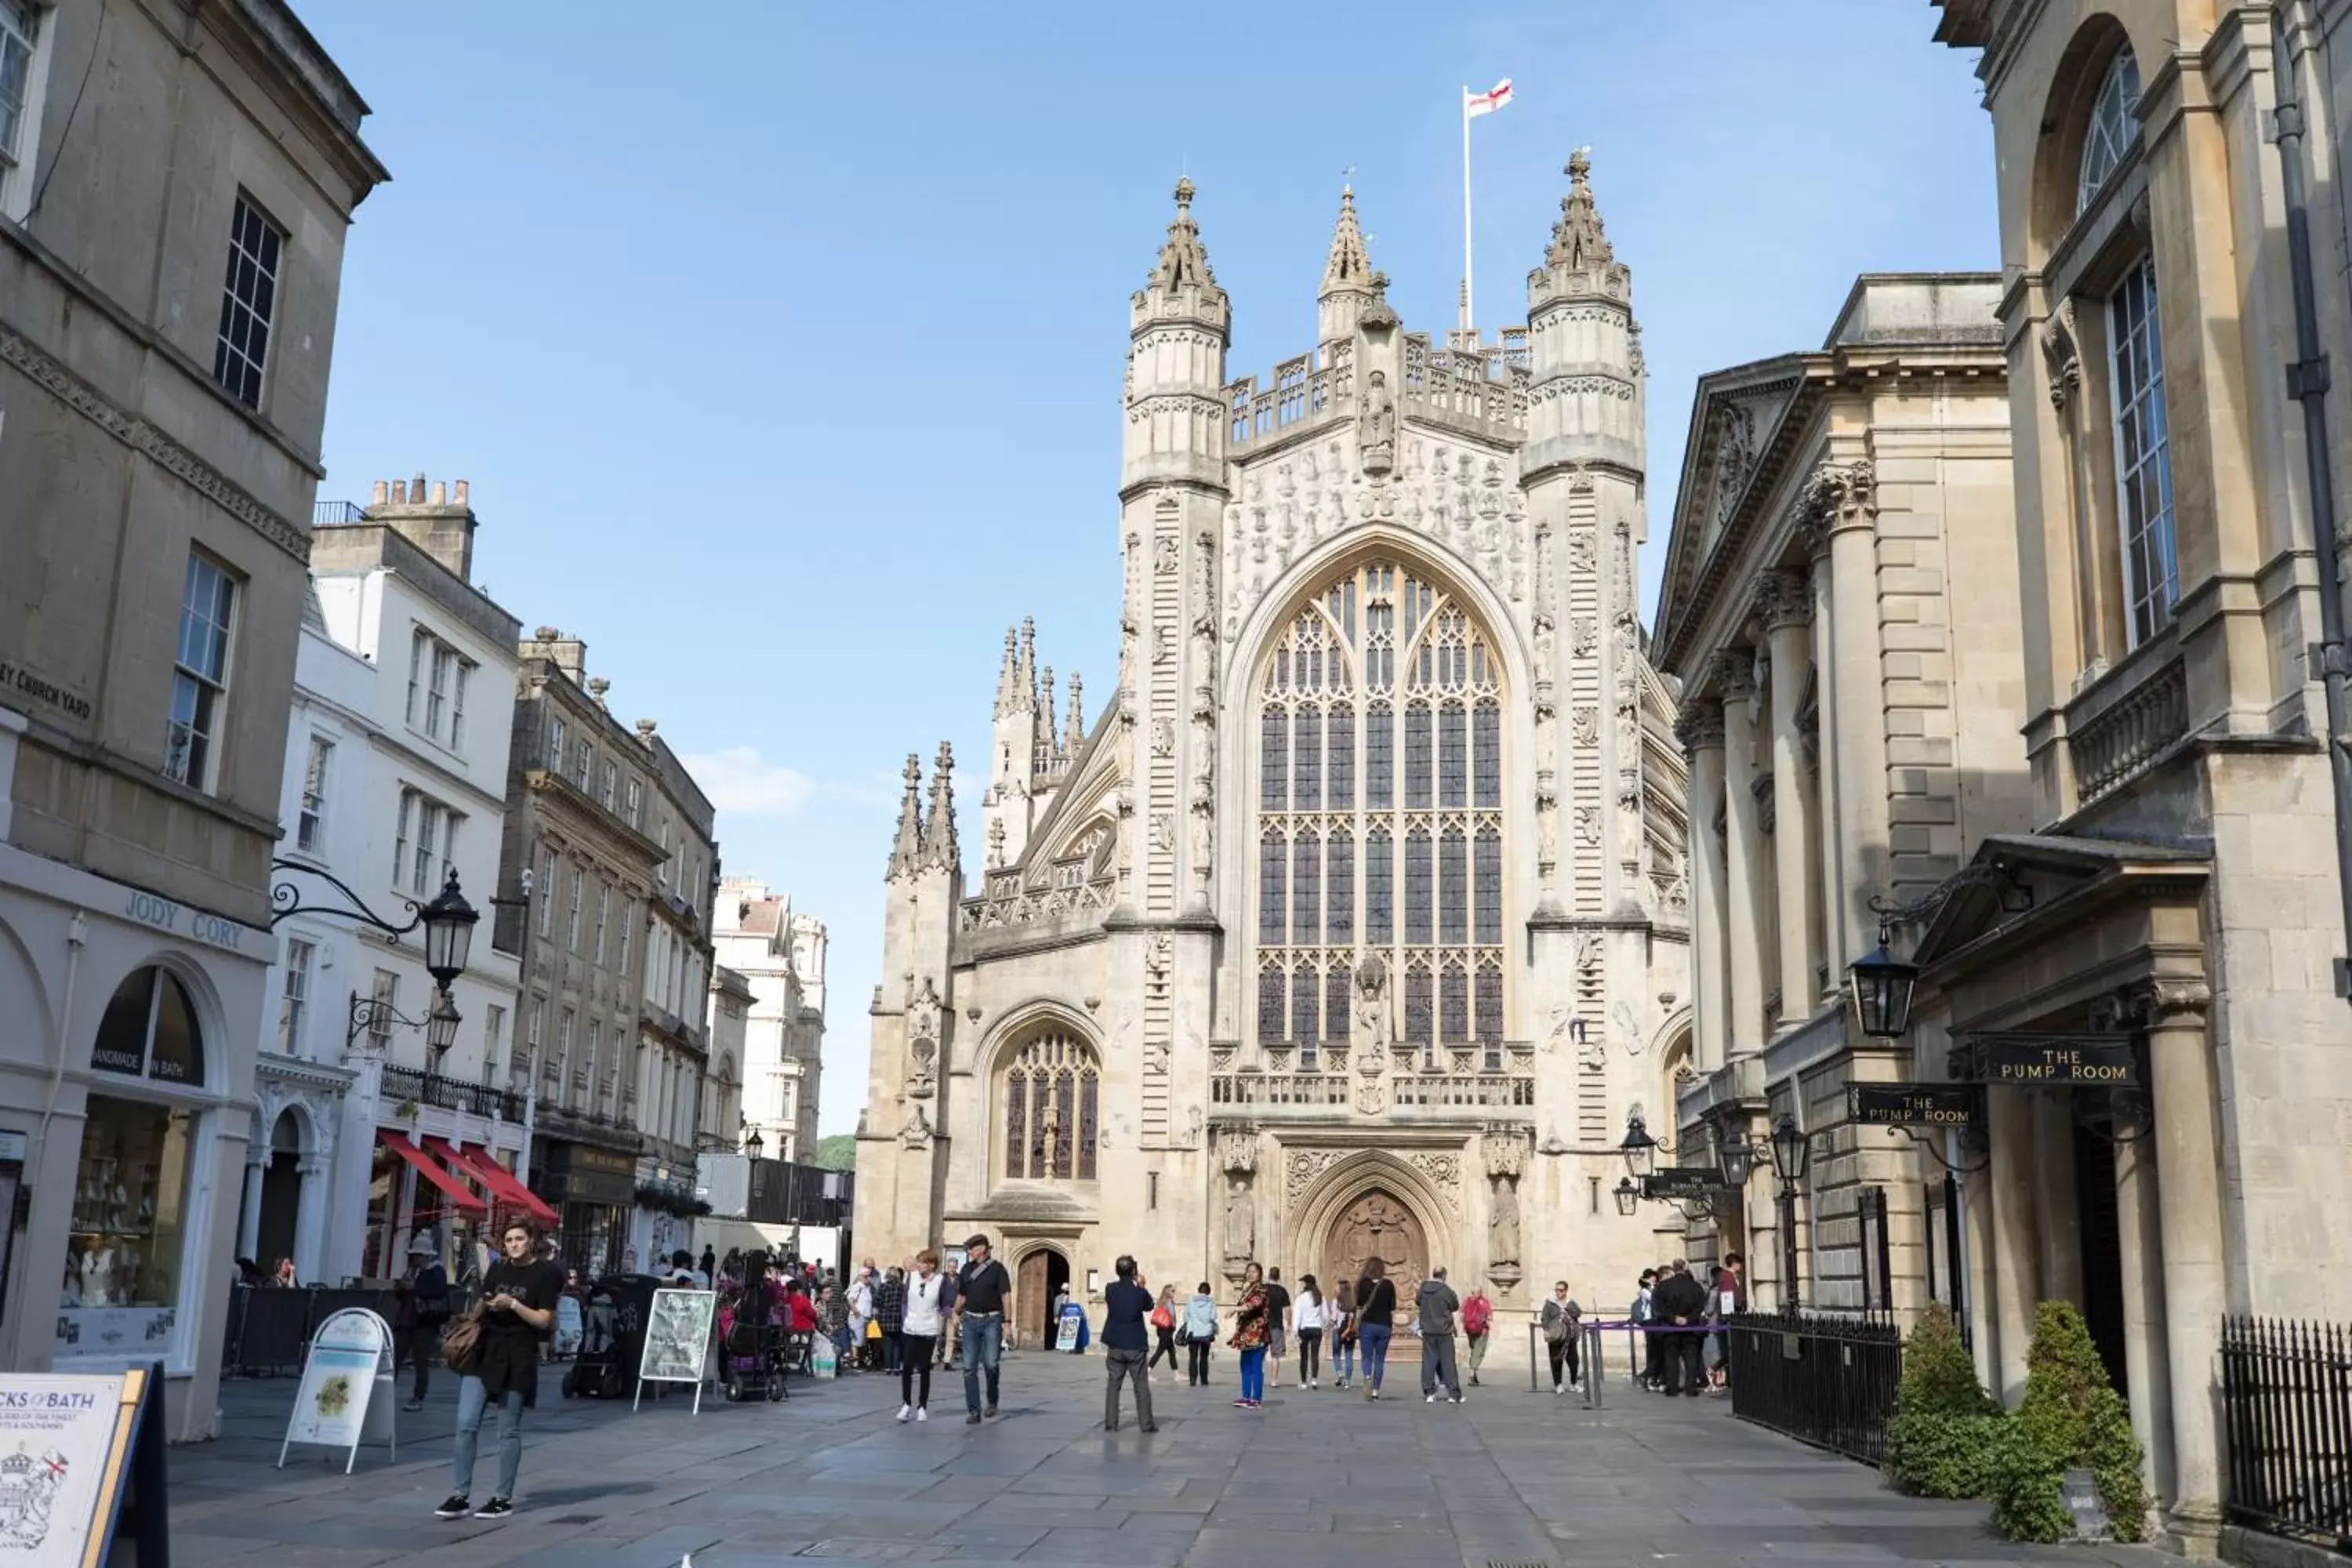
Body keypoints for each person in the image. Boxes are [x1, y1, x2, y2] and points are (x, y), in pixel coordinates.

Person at [435, 1220, 563, 1521]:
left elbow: (545, 1320)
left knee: (508, 1428)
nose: (514, 1244)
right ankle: (459, 1494)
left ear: (531, 1241)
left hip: (518, 1353)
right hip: (485, 1348)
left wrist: (515, 1305)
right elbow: (483, 1301)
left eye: (519, 1239)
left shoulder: (546, 1274)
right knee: (466, 1422)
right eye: (508, 1240)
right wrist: (470, 1317)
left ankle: (502, 1497)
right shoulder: (497, 1269)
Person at [954, 1233, 1012, 1423]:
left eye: (971, 1248)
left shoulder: (998, 1269)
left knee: (991, 1364)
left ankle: (992, 1400)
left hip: (992, 1320)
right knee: (969, 1368)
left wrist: (1008, 1324)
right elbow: (962, 1295)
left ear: (981, 1249)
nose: (969, 1252)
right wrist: (955, 1313)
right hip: (970, 1320)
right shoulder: (966, 1269)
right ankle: (974, 1410)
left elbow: (1006, 1296)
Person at [392, 1236, 452, 1412]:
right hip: (406, 1320)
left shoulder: (436, 1271)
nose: (414, 1259)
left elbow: (438, 1291)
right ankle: (385, 1392)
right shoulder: (412, 1271)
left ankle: (418, 1396)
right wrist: (401, 1288)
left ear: (426, 1256)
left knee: (420, 1360)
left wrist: (415, 1289)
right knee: (395, 1357)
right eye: (413, 1255)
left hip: (425, 1322)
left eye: (418, 1255)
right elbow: (401, 1296)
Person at [1099, 1255, 1158, 1432]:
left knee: (1113, 1385)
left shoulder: (1110, 1290)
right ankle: (1146, 1424)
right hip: (1135, 1344)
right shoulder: (1139, 1293)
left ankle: (1111, 1422)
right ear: (1133, 1271)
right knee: (1140, 1385)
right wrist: (1141, 1285)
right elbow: (1149, 1306)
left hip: (1115, 1343)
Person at [896, 1249, 953, 1421]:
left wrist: (951, 1314)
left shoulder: (940, 1280)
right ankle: (906, 1404)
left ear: (931, 1265)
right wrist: (904, 1318)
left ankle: (922, 1406)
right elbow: (905, 1301)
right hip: (910, 1328)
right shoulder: (911, 1277)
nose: (919, 1265)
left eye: (922, 1262)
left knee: (924, 1368)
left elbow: (945, 1303)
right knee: (906, 1366)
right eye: (918, 1262)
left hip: (928, 1329)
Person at [1653, 1260, 1708, 1396]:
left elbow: (1659, 1308)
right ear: (1685, 1268)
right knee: (1691, 1359)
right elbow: (1700, 1306)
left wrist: (1673, 1318)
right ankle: (1691, 1387)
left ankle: (1672, 1387)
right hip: (1690, 1327)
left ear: (1673, 1269)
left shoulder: (1663, 1287)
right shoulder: (1696, 1287)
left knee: (1671, 1358)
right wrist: (1688, 1319)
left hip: (1670, 1328)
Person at [1416, 1265, 1464, 1403]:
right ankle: (1453, 1393)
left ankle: (1429, 1392)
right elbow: (1455, 1306)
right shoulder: (1445, 1290)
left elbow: (1418, 1301)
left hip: (1428, 1330)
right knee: (1448, 1361)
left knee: (1428, 1362)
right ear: (1443, 1276)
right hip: (1444, 1330)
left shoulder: (1423, 1288)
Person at [1354, 1257, 1397, 1401]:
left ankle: (1367, 1376)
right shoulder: (1388, 1284)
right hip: (1384, 1325)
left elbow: (1359, 1305)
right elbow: (1392, 1308)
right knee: (1380, 1359)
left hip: (1368, 1325)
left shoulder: (1363, 1284)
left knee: (1367, 1357)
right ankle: (1376, 1391)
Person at [1228, 1262, 1270, 1409]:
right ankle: (1246, 1396)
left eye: (1254, 1271)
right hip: (1245, 1334)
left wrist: (1235, 1309)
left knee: (1255, 1366)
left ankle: (1256, 1398)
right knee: (1245, 1366)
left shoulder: (1261, 1290)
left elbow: (1254, 1304)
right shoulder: (1248, 1290)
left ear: (1260, 1274)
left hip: (1257, 1333)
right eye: (1248, 1271)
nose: (1250, 1274)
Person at [1540, 1281, 1583, 1395]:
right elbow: (1544, 1318)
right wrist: (1546, 1331)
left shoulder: (1570, 1303)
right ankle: (1558, 1384)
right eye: (1557, 1290)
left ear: (1566, 1291)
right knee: (1556, 1361)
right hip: (1556, 1336)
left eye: (1561, 1290)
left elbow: (1578, 1313)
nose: (1558, 1292)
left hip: (1570, 1336)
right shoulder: (1550, 1304)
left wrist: (1567, 1309)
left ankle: (1574, 1383)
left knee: (1574, 1361)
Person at [1182, 1281, 1218, 1387]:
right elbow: (1213, 1317)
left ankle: (1193, 1380)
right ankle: (1204, 1379)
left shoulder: (1191, 1300)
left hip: (1193, 1332)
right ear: (1209, 1292)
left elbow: (1186, 1316)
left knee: (1193, 1357)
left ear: (1199, 1290)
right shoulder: (1211, 1302)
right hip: (1206, 1333)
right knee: (1204, 1357)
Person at [1293, 1273, 1326, 1389]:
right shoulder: (1320, 1297)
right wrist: (1323, 1326)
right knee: (1315, 1355)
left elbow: (1297, 1315)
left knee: (1304, 1356)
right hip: (1316, 1328)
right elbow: (1325, 1315)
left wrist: (1295, 1330)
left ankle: (1303, 1382)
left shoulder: (1301, 1298)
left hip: (1304, 1329)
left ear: (1306, 1284)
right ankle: (1314, 1380)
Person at [1261, 1267, 1290, 1390]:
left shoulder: (1263, 1289)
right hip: (1276, 1326)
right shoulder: (1282, 1291)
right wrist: (1289, 1323)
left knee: (1260, 1353)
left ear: (1269, 1276)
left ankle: (1259, 1377)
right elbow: (1288, 1309)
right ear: (1279, 1277)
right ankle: (1273, 1381)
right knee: (1275, 1355)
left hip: (1262, 1325)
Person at [876, 1264, 907, 1375]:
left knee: (887, 1343)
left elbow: (877, 1302)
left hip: (885, 1318)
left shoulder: (883, 1287)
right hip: (898, 1318)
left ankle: (888, 1367)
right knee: (897, 1344)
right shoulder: (902, 1287)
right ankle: (896, 1368)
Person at [1633, 1269, 1661, 1391]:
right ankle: (1647, 1375)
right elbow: (1654, 1299)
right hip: (1648, 1320)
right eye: (1651, 1278)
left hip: (1655, 1320)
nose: (1654, 1279)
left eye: (1655, 1277)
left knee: (1655, 1348)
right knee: (1652, 1347)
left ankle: (1650, 1375)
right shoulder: (1645, 1290)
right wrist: (1651, 1286)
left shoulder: (1653, 1288)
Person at [1461, 1285, 1494, 1388]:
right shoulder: (1484, 1302)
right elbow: (1489, 1316)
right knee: (1479, 1351)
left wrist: (1465, 1326)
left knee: (1473, 1350)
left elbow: (1462, 1316)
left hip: (1470, 1330)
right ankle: (1472, 1372)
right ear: (1480, 1292)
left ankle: (1473, 1374)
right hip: (1482, 1330)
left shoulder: (1466, 1301)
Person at [1330, 1280, 1358, 1390]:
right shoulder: (1353, 1303)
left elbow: (1333, 1318)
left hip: (1338, 1330)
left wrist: (1327, 1326)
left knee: (1336, 1353)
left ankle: (1340, 1373)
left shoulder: (1336, 1302)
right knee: (1349, 1355)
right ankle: (1348, 1381)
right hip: (1350, 1331)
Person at [1147, 1284, 1180, 1379]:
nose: (1174, 1293)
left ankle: (1176, 1374)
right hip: (1166, 1330)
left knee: (1172, 1351)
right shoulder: (1169, 1302)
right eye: (1172, 1291)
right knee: (1159, 1352)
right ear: (1167, 1293)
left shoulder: (1161, 1302)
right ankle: (1147, 1371)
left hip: (1161, 1329)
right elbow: (1172, 1314)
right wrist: (1174, 1324)